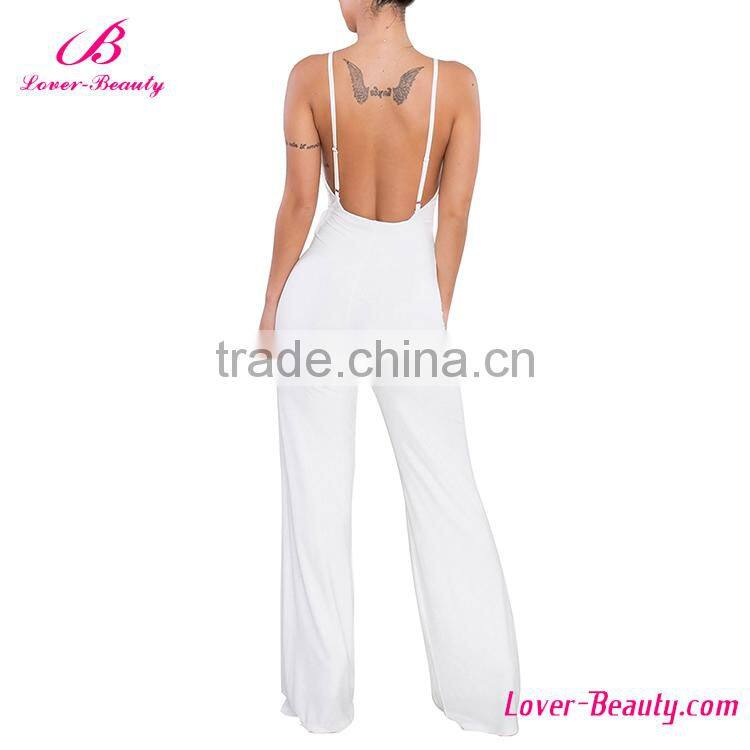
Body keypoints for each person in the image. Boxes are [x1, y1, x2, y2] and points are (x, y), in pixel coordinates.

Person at [259, 0, 520, 735]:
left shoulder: (310, 76)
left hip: (323, 290)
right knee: (447, 491)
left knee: (315, 494)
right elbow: (455, 215)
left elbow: (299, 204)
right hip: (409, 292)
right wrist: (431, 313)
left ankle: (323, 704)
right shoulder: (457, 84)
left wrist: (270, 307)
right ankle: (484, 697)